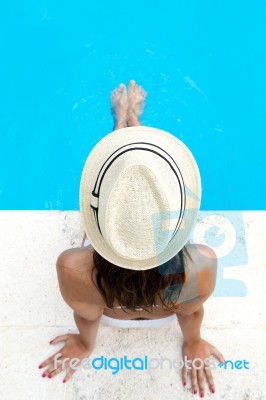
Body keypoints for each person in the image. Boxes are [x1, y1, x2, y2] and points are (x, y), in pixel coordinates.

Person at [39, 80, 225, 397]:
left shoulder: (72, 266)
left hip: (112, 312)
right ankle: (134, 125)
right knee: (146, 188)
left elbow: (87, 314)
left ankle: (122, 126)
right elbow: (191, 312)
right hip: (163, 309)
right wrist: (193, 341)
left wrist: (85, 344)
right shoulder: (202, 263)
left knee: (119, 188)